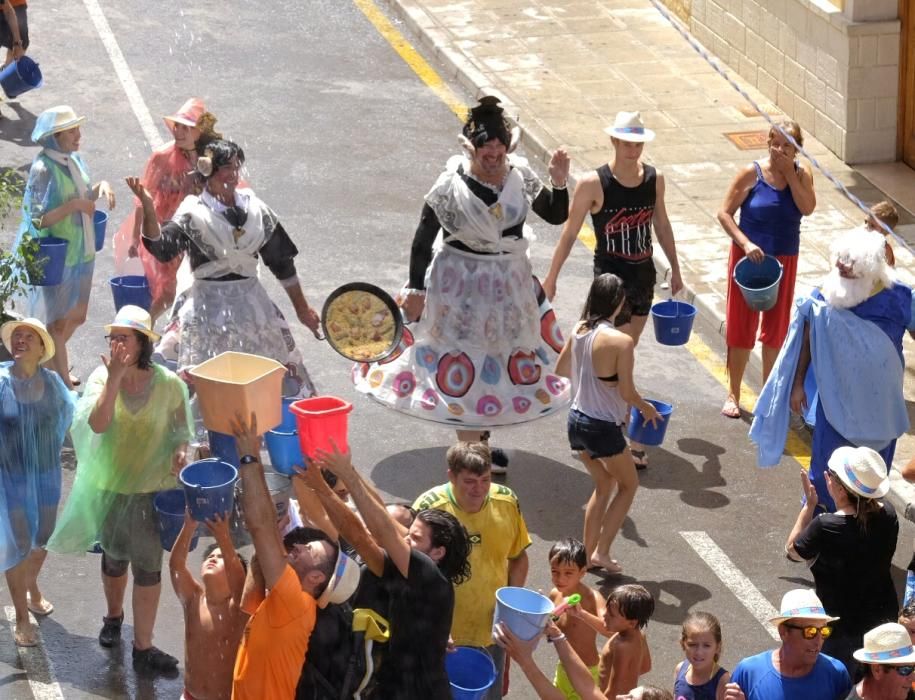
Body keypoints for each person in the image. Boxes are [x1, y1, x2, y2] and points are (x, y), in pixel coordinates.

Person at [354, 96, 571, 472]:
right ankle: (471, 450)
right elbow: (422, 241)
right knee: (462, 356)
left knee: (499, 357)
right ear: (470, 148)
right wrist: (417, 293)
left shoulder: (520, 176)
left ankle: (482, 437)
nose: (494, 154)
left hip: (508, 285)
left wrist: (559, 180)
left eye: (500, 147)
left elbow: (554, 213)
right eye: (486, 147)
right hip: (461, 286)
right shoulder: (449, 186)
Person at [46, 305, 192, 674]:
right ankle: (113, 617)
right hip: (111, 487)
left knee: (148, 568)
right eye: (113, 338)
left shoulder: (170, 384)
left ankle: (143, 647)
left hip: (149, 491)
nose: (116, 345)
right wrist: (113, 380)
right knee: (114, 560)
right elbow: (97, 424)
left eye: (124, 338)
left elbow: (181, 430)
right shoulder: (99, 377)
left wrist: (180, 452)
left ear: (142, 343)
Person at [126, 138, 320, 397]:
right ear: (208, 172)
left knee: (261, 381)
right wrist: (149, 210)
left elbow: (282, 262)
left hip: (251, 306)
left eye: (236, 167)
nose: (233, 174)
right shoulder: (193, 213)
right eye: (226, 168)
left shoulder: (255, 209)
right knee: (207, 382)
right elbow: (162, 248)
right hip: (206, 308)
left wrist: (302, 309)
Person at [542, 110, 681, 470]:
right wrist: (552, 277)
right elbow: (570, 232)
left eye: (639, 143)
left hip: (642, 278)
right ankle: (605, 428)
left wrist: (677, 270)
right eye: (627, 143)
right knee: (600, 352)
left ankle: (609, 424)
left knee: (624, 354)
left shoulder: (655, 179)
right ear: (614, 142)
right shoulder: (593, 183)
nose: (634, 149)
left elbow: (661, 225)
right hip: (609, 282)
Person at [750, 229, 915, 510]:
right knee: (826, 483)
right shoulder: (828, 291)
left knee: (870, 484)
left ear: (870, 272)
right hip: (836, 409)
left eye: (849, 275)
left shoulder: (900, 298)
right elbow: (807, 332)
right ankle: (819, 538)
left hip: (881, 412)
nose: (841, 280)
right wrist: (798, 383)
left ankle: (864, 542)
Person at [303, 444, 472, 699]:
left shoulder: (432, 579)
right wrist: (322, 487)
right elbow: (358, 536)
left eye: (413, 537)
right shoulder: (403, 570)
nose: (404, 540)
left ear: (437, 553)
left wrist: (346, 475)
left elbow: (382, 529)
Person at [555, 273, 659, 572]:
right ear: (618, 302)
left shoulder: (578, 329)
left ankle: (587, 556)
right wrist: (646, 408)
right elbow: (626, 392)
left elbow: (562, 368)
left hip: (576, 422)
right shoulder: (622, 341)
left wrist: (590, 376)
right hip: (601, 426)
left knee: (604, 483)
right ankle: (601, 551)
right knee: (628, 485)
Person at [230, 413, 338, 700]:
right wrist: (268, 544)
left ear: (315, 578)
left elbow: (260, 524)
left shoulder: (298, 602)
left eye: (310, 551)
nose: (300, 546)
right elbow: (248, 606)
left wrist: (250, 457)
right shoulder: (282, 602)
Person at [414, 441, 531, 698]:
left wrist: (511, 607)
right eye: (469, 481)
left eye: (485, 479)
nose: (478, 489)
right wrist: (429, 626)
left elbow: (518, 557)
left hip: (491, 631)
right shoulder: (428, 510)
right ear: (451, 476)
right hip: (442, 633)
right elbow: (409, 573)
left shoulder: (507, 502)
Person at [716, 119, 816, 418]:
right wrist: (745, 244)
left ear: (797, 149)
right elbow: (724, 214)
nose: (779, 150)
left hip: (784, 259)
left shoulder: (802, 174)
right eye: (775, 142)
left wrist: (790, 175)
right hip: (749, 259)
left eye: (787, 145)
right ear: (768, 142)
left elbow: (807, 208)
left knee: (776, 329)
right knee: (740, 324)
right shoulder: (751, 173)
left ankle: (767, 394)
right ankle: (733, 392)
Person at [14, 105, 116, 389]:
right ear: (56, 136)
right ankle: (62, 384)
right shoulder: (43, 168)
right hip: (58, 255)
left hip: (82, 251)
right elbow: (36, 217)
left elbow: (84, 195)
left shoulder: (75, 160)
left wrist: (101, 187)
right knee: (58, 324)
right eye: (72, 131)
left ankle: (47, 363)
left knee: (78, 316)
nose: (78, 135)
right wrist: (73, 206)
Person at [784, 447, 899, 676]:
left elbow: (793, 550)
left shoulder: (825, 526)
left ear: (837, 487)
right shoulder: (889, 513)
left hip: (840, 632)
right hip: (882, 619)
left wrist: (809, 507)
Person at [0, 318, 74, 647]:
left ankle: (30, 584)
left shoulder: (55, 383)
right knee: (18, 542)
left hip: (46, 475)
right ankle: (21, 615)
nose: (21, 340)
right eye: (17, 336)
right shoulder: (0, 381)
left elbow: (75, 416)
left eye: (29, 336)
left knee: (42, 538)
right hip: (10, 477)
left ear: (42, 348)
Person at [113, 98, 222, 322]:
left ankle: (156, 331)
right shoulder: (162, 158)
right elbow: (143, 199)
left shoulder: (209, 159)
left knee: (188, 290)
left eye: (186, 127)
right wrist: (135, 239)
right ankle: (145, 331)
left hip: (195, 235)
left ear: (199, 131)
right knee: (168, 292)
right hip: (165, 234)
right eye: (177, 126)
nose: (179, 131)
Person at [169, 511, 248, 700]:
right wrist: (188, 526)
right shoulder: (194, 599)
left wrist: (224, 538)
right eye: (210, 556)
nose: (212, 558)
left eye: (221, 558)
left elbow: (239, 583)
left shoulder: (238, 609)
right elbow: (176, 567)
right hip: (189, 696)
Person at [724, 589, 850, 700]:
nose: (818, 641)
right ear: (783, 632)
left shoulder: (836, 674)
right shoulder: (748, 672)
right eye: (810, 632)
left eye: (823, 631)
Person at [547, 538, 609, 699]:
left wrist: (583, 615)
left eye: (568, 573)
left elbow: (609, 629)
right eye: (555, 571)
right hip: (563, 668)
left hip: (587, 673)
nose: (560, 578)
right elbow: (546, 628)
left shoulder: (592, 597)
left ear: (582, 572)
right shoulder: (554, 595)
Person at [599, 584, 653, 697]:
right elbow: (646, 666)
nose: (604, 615)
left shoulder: (621, 646)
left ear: (632, 623)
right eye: (606, 610)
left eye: (611, 615)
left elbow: (613, 689)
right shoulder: (640, 635)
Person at [846, 623, 915, 700]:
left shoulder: (909, 694)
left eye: (913, 668)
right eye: (905, 669)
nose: (913, 678)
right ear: (877, 670)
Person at [674, 612, 730, 700]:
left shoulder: (723, 681)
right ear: (682, 644)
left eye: (706, 646)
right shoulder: (680, 669)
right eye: (692, 645)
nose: (699, 652)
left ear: (717, 648)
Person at [864, 199, 899, 267]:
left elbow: (882, 274)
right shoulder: (860, 240)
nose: (866, 227)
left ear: (884, 232)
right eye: (866, 222)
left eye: (872, 226)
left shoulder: (885, 251)